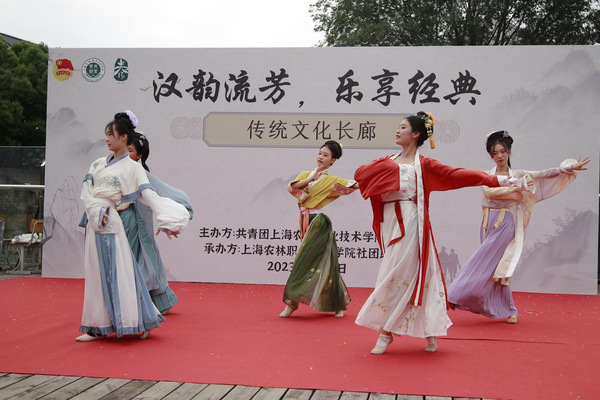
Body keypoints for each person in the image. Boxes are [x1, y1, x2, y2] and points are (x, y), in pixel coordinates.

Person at [353, 112, 521, 354]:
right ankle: (428, 332)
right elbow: (361, 175)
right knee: (407, 275)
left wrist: (493, 179)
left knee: (397, 274)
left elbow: (456, 175)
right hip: (391, 223)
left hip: (412, 223)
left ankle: (385, 333)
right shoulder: (387, 160)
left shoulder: (423, 166)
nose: (397, 130)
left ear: (415, 134)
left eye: (403, 127)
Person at [447, 130, 589, 324]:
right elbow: (490, 193)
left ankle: (457, 294)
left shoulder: (520, 175)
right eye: (495, 153)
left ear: (509, 152)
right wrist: (516, 188)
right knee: (496, 267)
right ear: (491, 155)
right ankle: (503, 307)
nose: (499, 156)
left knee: (495, 264)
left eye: (502, 151)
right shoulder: (487, 176)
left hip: (507, 222)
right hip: (489, 222)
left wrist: (569, 167)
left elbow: (543, 175)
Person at [77, 111, 190, 342]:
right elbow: (86, 192)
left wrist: (168, 219)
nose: (107, 138)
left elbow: (149, 196)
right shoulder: (97, 164)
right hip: (95, 223)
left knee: (123, 274)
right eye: (106, 134)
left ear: (124, 137)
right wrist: (95, 211)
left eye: (111, 134)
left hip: (112, 225)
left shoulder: (133, 168)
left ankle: (144, 319)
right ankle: (98, 327)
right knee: (96, 277)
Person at [280, 140, 358, 318]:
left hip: (319, 223)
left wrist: (371, 177)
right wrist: (311, 179)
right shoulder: (305, 174)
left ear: (333, 160)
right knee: (321, 264)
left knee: (305, 262)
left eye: (326, 155)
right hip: (304, 220)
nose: (321, 157)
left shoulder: (332, 181)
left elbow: (353, 185)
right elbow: (291, 188)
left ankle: (292, 303)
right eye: (320, 153)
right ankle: (337, 304)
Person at [117, 132, 193, 314]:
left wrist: (167, 219)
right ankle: (153, 304)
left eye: (130, 150)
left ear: (139, 155)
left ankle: (139, 305)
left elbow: (161, 193)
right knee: (132, 261)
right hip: (118, 220)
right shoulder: (114, 167)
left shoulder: (139, 172)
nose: (126, 154)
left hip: (133, 223)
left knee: (137, 262)